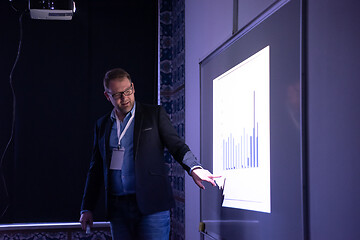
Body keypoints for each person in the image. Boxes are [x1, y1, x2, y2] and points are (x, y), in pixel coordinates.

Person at [79, 68, 219, 240]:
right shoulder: (102, 125)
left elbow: (177, 146)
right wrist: (87, 208)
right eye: (117, 95)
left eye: (128, 91)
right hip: (118, 210)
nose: (125, 98)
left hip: (152, 206)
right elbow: (96, 169)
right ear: (107, 96)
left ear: (133, 87)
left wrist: (194, 168)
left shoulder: (154, 115)